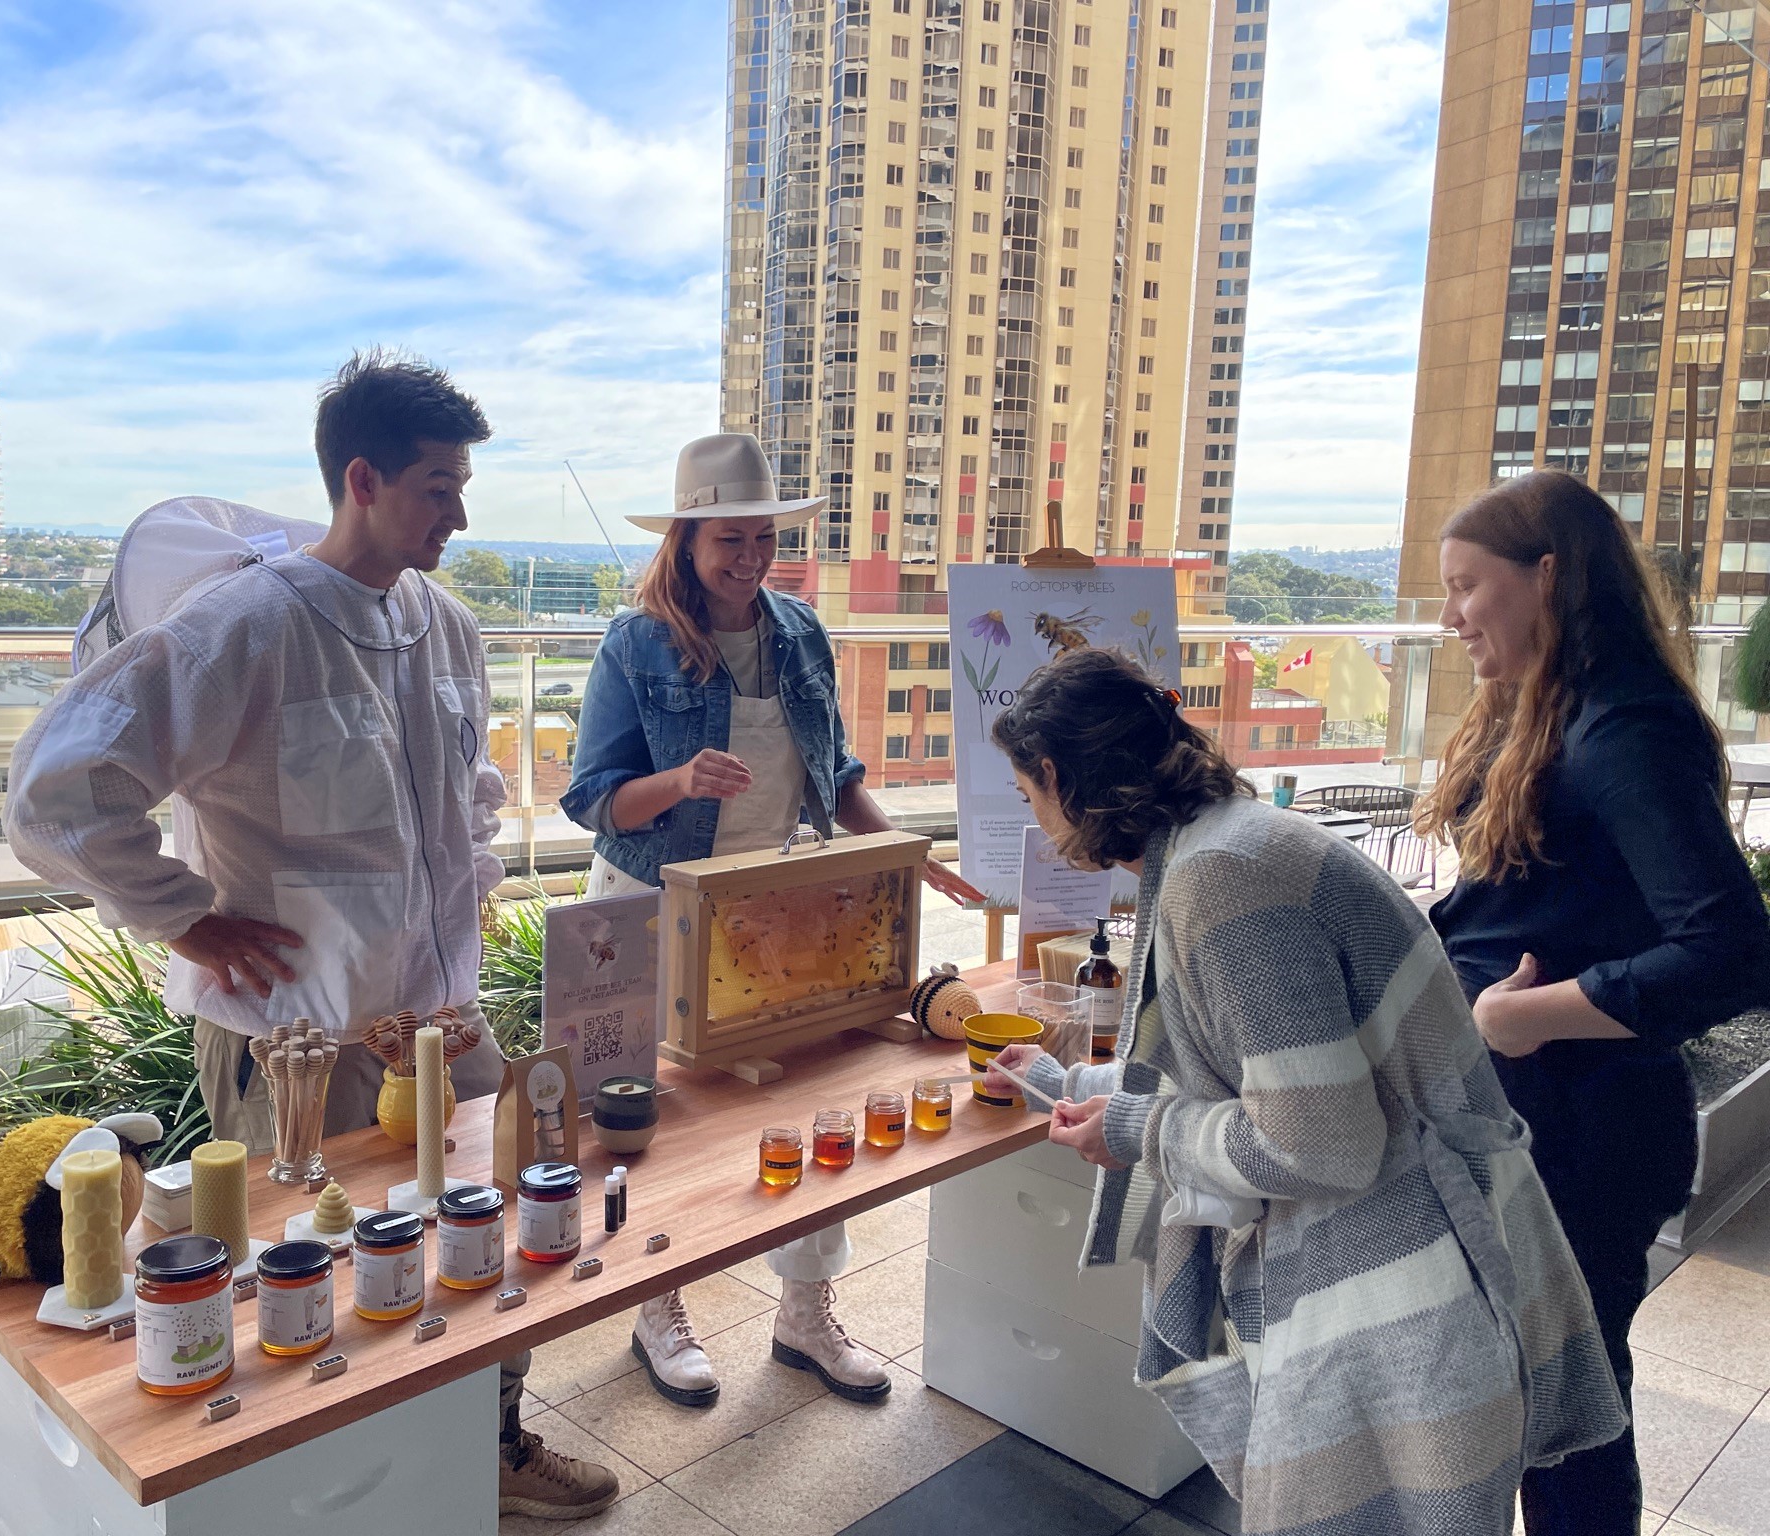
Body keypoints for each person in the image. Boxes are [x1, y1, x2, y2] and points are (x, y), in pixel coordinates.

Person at [6, 352, 618, 1521]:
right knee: (322, 1282)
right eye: (438, 487)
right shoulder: (244, 625)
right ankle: (340, 1499)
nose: (459, 513)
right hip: (297, 1045)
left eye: (462, 485)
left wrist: (467, 898)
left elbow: (466, 798)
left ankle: (487, 1442)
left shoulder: (442, 622)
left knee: (490, 1237)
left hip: (440, 1023)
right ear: (361, 479)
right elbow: (58, 791)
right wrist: (186, 914)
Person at [981, 645, 1625, 1536]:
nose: (1038, 823)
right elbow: (1266, 1070)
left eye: (1027, 797)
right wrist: (1072, 1081)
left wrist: (1140, 1131)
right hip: (1434, 1253)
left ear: (1056, 775)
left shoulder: (1221, 881)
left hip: (1405, 1287)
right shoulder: (1233, 839)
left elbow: (1318, 1143)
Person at [562, 433, 983, 1410]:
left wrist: (916, 859)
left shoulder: (799, 631)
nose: (749, 559)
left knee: (804, 1105)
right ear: (686, 538)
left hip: (772, 909)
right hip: (645, 902)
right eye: (728, 540)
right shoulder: (636, 642)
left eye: (762, 539)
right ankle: (654, 1303)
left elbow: (832, 778)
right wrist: (677, 780)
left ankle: (804, 1310)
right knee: (651, 1123)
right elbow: (592, 800)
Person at [1416, 470, 1770, 1535]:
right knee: (1530, 1393)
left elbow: (1729, 952)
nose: (1446, 618)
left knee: (1565, 1414)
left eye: (1465, 587)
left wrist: (1522, 1016)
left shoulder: (1624, 730)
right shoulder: (1544, 711)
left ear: (1547, 577)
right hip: (1527, 1121)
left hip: (1580, 1133)